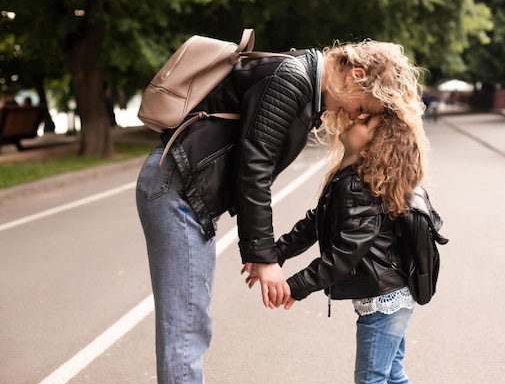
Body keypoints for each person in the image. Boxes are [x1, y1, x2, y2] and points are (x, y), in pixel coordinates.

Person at [135, 38, 422, 384]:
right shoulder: (293, 79)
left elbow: (259, 173)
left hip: (186, 191)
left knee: (190, 323)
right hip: (177, 189)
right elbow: (253, 167)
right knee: (186, 327)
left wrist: (270, 254)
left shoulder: (303, 86)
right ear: (354, 75)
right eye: (363, 106)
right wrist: (266, 259)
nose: (354, 115)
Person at [245, 95, 428, 384]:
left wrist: (296, 286)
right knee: (392, 376)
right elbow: (315, 223)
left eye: (365, 121)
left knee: (372, 380)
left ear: (373, 145)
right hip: (391, 295)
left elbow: (345, 253)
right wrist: (273, 254)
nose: (355, 118)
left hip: (384, 301)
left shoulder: (360, 187)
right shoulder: (351, 179)